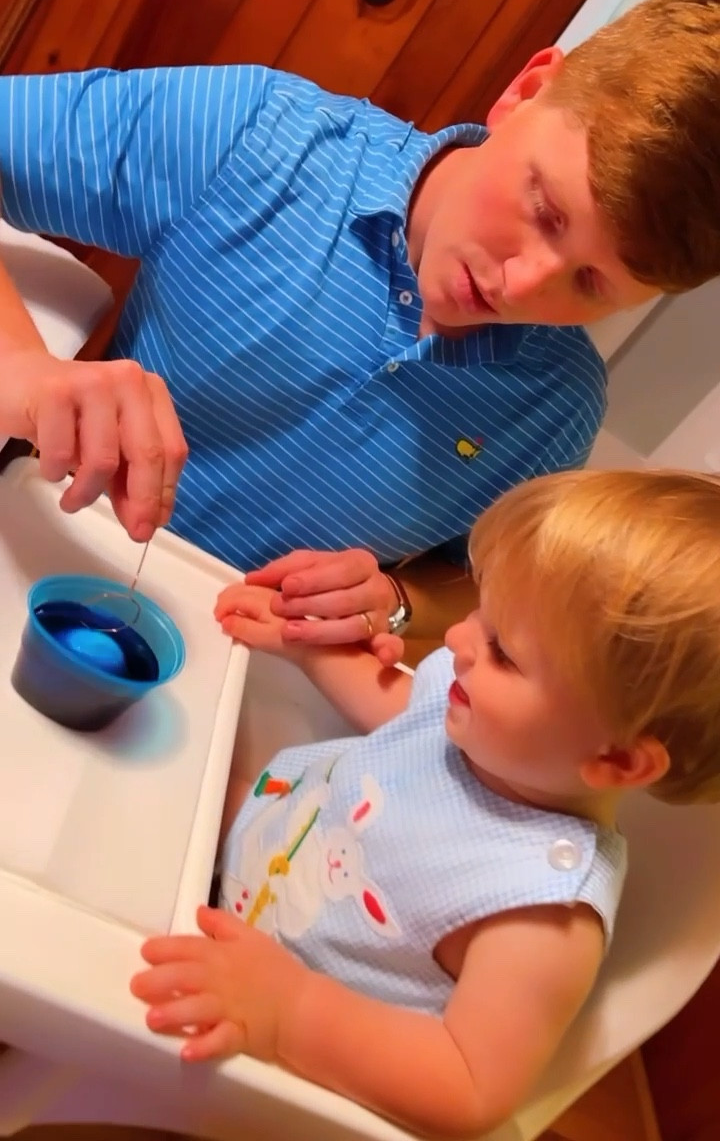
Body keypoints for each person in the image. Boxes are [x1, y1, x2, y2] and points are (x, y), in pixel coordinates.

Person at [1, 0, 719, 654]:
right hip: (35, 547)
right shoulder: (257, 135)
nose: (522, 283)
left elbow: (478, 576)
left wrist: (402, 603)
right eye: (545, 210)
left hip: (221, 679)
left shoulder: (555, 409)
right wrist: (25, 371)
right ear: (526, 89)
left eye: (590, 283)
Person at [130, 468, 720, 1138]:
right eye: (482, 615)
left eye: (502, 651)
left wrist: (290, 1010)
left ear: (616, 759)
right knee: (148, 742)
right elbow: (403, 710)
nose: (457, 643)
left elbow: (469, 1086)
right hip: (251, 848)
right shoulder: (484, 722)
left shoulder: (537, 910)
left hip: (271, 1027)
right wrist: (306, 650)